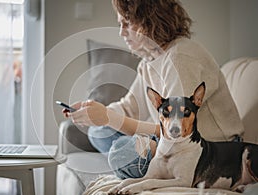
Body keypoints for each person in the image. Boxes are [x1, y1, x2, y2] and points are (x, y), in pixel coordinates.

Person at [63, 0, 244, 179]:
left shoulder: (180, 58)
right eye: (120, 25)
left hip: (210, 148)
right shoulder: (149, 62)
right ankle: (142, 157)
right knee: (98, 132)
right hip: (170, 139)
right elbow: (128, 107)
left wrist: (108, 118)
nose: (121, 32)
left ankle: (142, 160)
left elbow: (176, 129)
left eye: (126, 24)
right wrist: (94, 111)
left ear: (148, 20)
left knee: (121, 154)